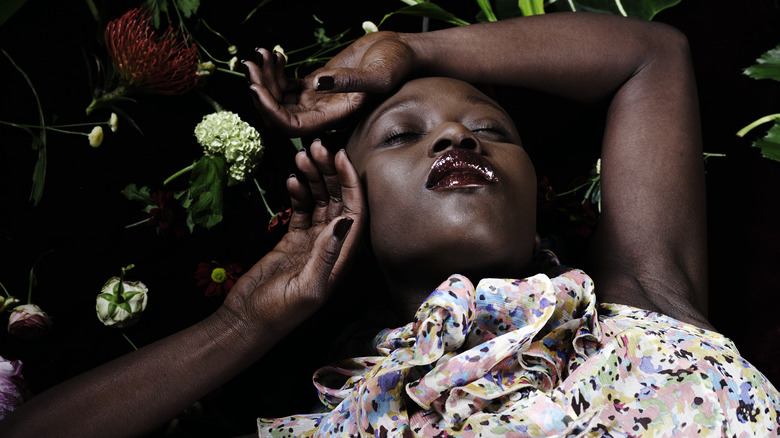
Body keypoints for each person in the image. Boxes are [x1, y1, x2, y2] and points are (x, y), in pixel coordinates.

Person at [0, 11, 778, 437]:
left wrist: (408, 51)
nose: (459, 138)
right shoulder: (337, 421)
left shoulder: (645, 311)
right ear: (354, 206)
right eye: (405, 135)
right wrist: (243, 324)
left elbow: (651, 55)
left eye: (492, 131)